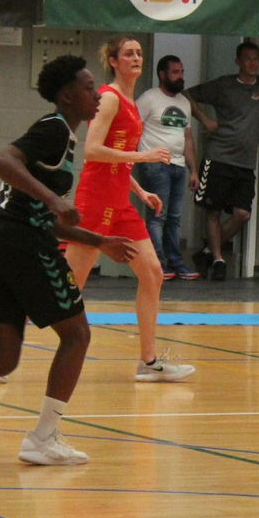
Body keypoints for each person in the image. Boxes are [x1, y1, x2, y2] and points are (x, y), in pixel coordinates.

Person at [0, 57, 140, 463]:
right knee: (76, 335)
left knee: (0, 359)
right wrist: (54, 198)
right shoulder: (53, 129)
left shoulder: (64, 142)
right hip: (18, 244)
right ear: (66, 96)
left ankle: (42, 440)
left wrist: (98, 240)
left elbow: (49, 220)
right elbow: (1, 161)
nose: (96, 95)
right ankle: (43, 437)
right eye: (88, 87)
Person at [64, 36, 195, 384]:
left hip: (120, 201)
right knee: (66, 287)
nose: (136, 58)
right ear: (113, 60)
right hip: (95, 200)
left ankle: (148, 362)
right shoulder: (107, 98)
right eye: (128, 54)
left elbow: (116, 160)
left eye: (139, 53)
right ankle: (6, 334)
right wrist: (142, 158)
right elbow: (92, 151)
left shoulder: (132, 102)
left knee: (152, 273)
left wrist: (141, 189)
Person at [187, 41, 259, 281]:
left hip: (245, 163)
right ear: (238, 62)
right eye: (248, 58)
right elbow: (187, 95)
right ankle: (218, 259)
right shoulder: (224, 85)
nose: (253, 63)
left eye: (256, 58)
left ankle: (208, 250)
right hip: (218, 157)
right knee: (212, 211)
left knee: (242, 214)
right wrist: (205, 120)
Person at [134, 54, 197, 281]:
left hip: (179, 166)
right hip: (155, 165)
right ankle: (158, 263)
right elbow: (133, 129)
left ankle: (176, 262)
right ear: (162, 74)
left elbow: (188, 138)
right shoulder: (148, 99)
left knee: (175, 217)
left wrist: (194, 170)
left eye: (181, 72)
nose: (180, 77)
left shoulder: (184, 103)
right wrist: (135, 158)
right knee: (158, 215)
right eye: (175, 72)